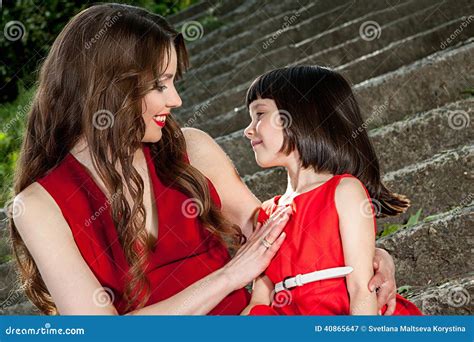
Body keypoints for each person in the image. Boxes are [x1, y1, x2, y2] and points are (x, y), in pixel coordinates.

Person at [9, 4, 398, 315]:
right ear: (108, 89)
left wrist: (371, 257)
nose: (175, 100)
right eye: (160, 84)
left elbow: (281, 237)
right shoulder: (39, 206)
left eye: (174, 82)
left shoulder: (191, 147)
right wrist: (228, 277)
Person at [241, 66, 422, 315]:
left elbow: (362, 288)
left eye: (259, 114)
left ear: (301, 115)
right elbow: (259, 300)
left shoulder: (344, 191)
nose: (248, 130)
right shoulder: (266, 213)